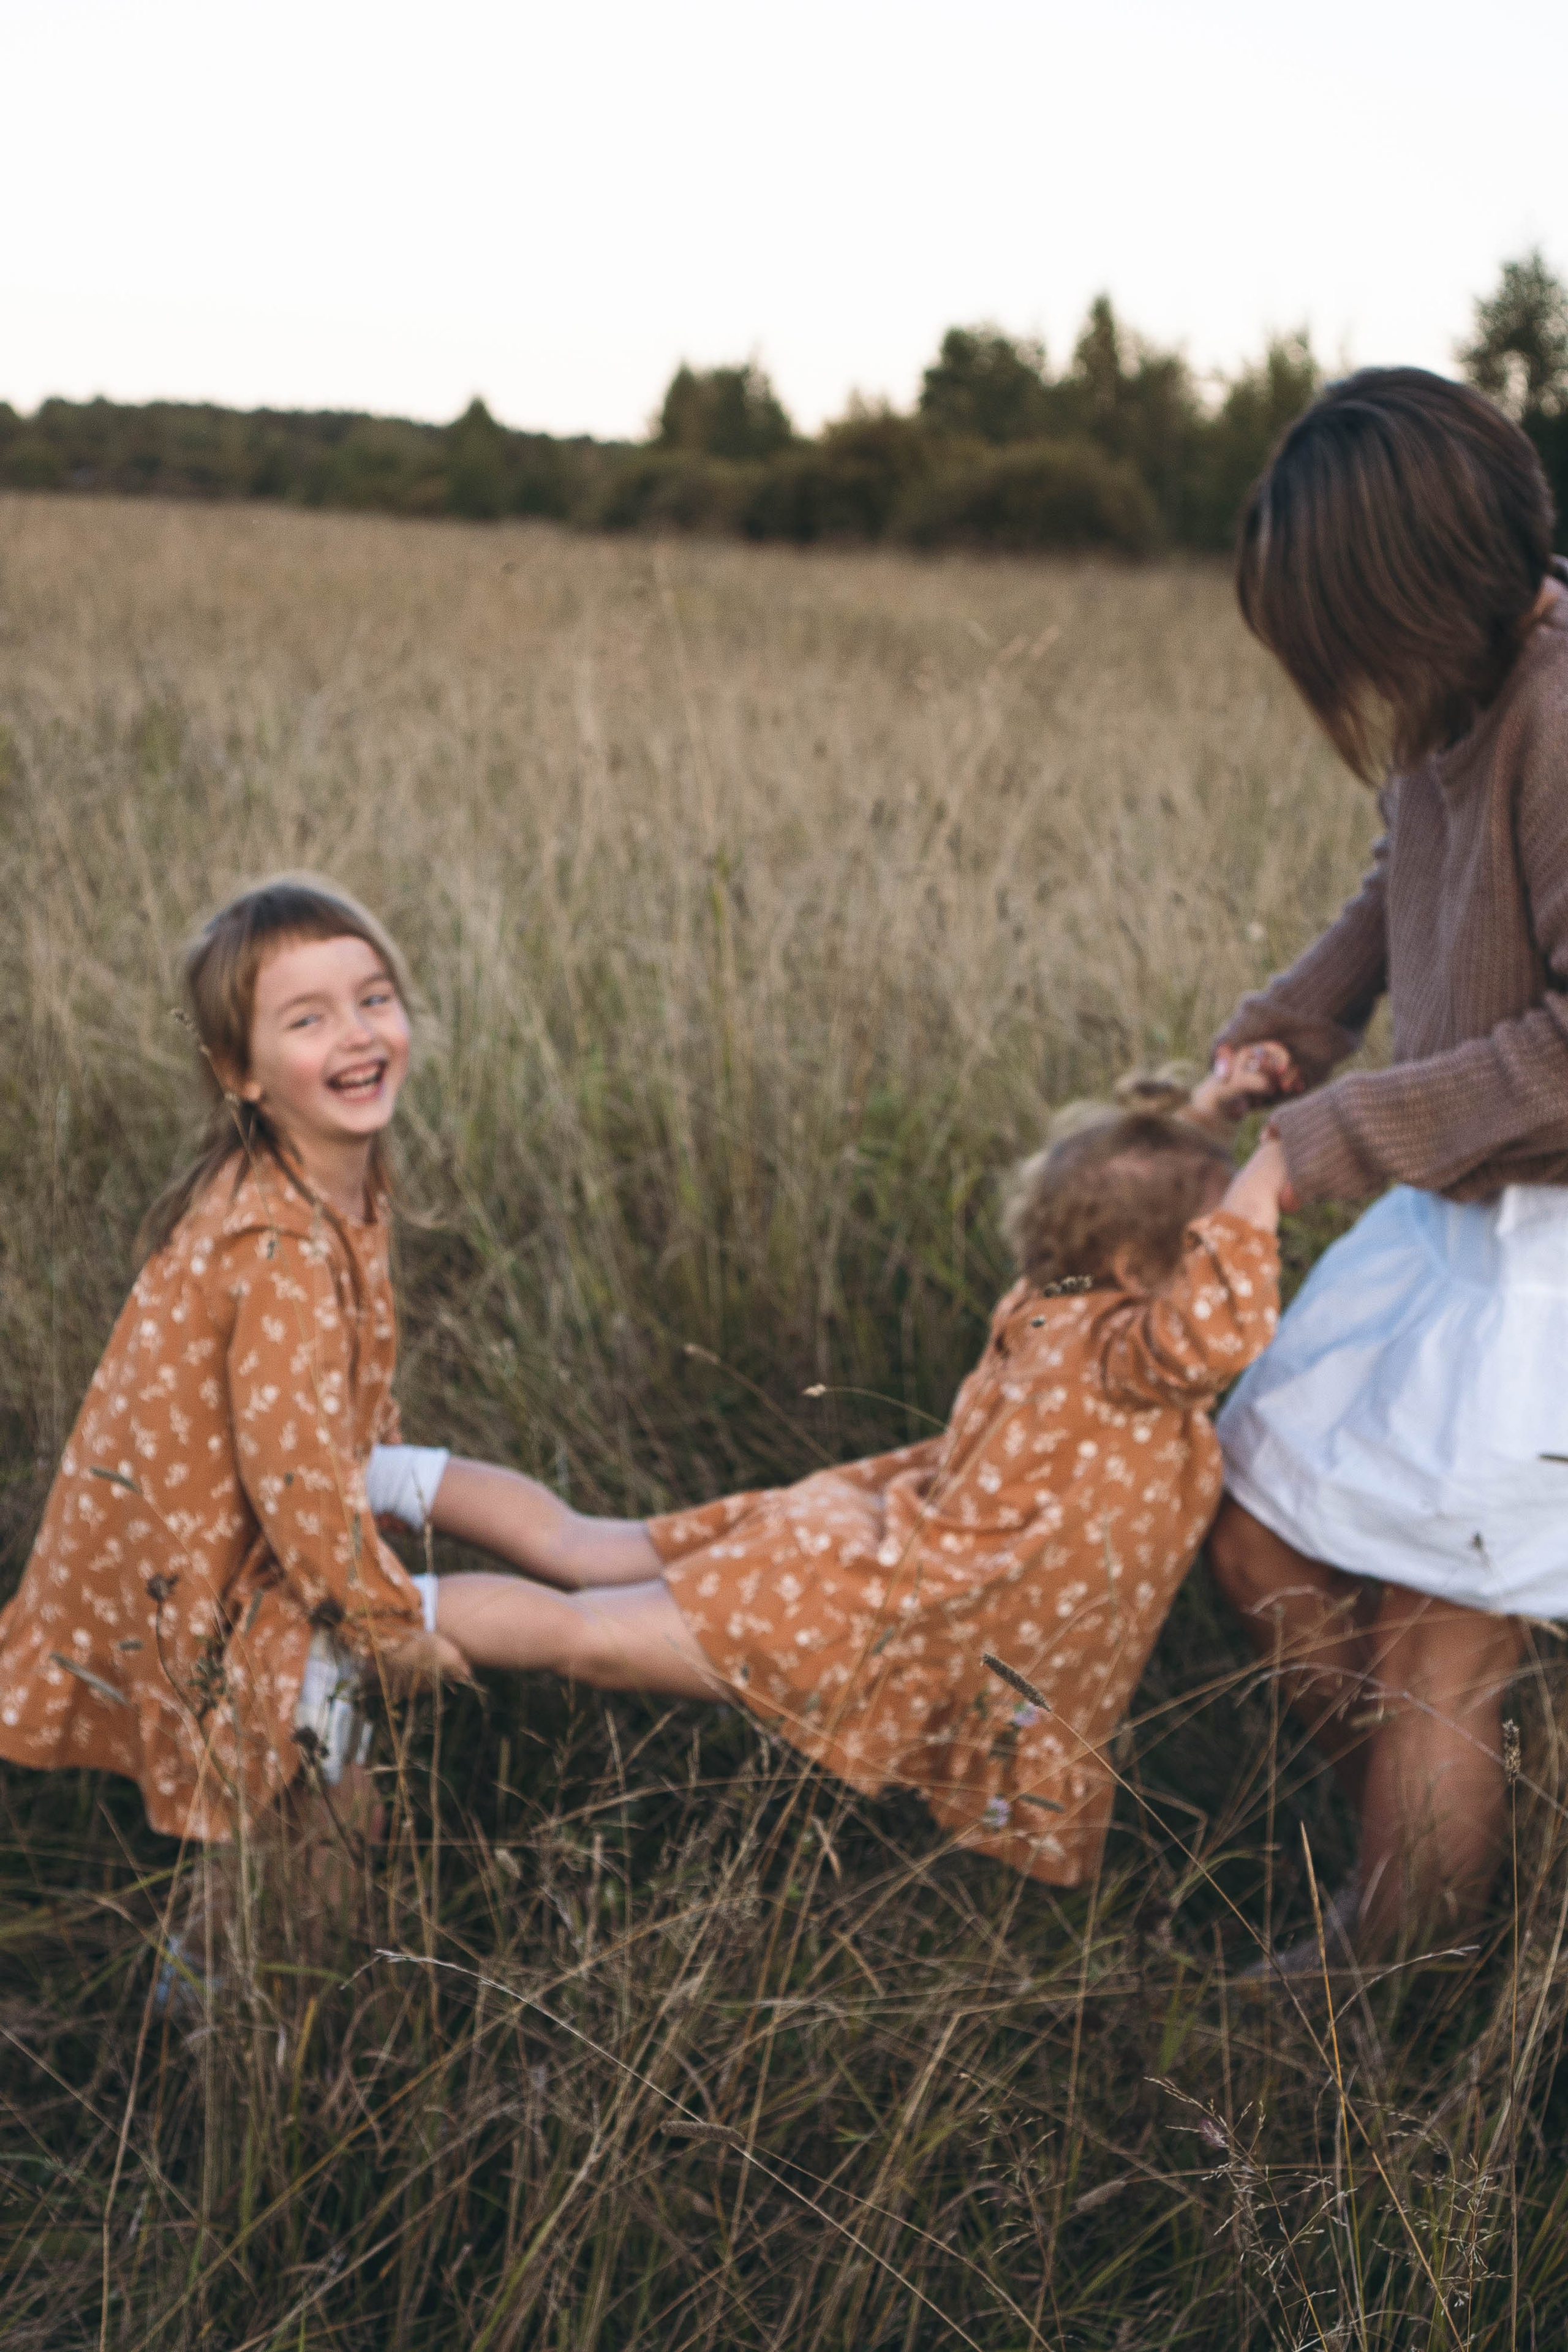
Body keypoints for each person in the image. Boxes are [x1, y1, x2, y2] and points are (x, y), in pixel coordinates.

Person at [369, 1068, 1286, 1887]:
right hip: (874, 1607)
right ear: (1140, 1269)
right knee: (585, 1635)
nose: (1236, 1244)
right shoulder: (1133, 1359)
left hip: (843, 1541)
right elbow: (1221, 1320)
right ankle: (370, 1613)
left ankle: (373, 1476)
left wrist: (1205, 1115)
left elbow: (1152, 1215)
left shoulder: (1049, 1305)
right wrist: (1275, 1166)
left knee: (578, 1544)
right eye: (1216, 1230)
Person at [1203, 367, 1568, 1966]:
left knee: (1436, 1627)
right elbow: (1396, 874)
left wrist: (1321, 1141)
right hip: (1457, 1209)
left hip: (1546, 1251)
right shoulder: (1458, 693)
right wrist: (1300, 1025)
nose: (1344, 683)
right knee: (1252, 1515)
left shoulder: (1563, 708)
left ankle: (1388, 1972)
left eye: (1346, 639)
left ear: (1422, 591)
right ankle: (1441, 1854)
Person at [0, 875, 448, 1869]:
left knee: (322, 1797)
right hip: (216, 1577)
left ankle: (223, 1975)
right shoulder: (276, 1246)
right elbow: (292, 1488)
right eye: (308, 1018)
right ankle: (240, 2002)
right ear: (240, 1072)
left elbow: (325, 1413)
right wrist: (393, 1631)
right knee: (321, 1817)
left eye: (374, 999)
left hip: (253, 1534)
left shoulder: (335, 1177)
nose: (359, 1035)